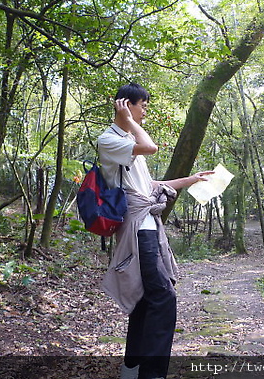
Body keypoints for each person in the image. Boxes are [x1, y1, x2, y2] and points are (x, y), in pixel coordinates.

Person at [98, 83, 213, 379]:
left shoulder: (126, 141)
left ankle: (132, 369)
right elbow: (151, 146)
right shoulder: (110, 140)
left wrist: (191, 179)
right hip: (138, 231)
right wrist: (130, 121)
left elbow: (148, 188)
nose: (145, 110)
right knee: (164, 297)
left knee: (145, 298)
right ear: (125, 104)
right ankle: (152, 373)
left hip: (148, 228)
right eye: (142, 105)